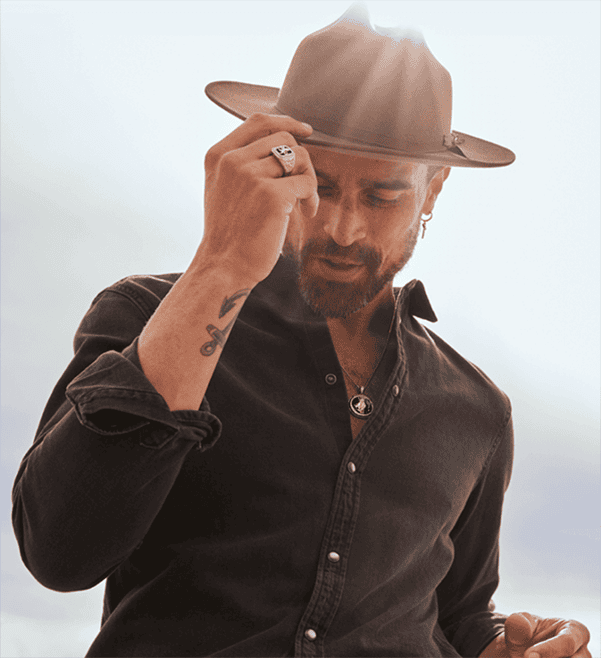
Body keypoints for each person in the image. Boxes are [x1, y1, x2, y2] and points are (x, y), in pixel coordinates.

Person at [11, 6, 591, 658]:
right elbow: (59, 554)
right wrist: (219, 263)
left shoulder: (477, 409)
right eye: (318, 184)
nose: (342, 228)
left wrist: (508, 647)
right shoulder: (144, 316)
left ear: (433, 191)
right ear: (273, 166)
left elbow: (457, 613)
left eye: (381, 196)